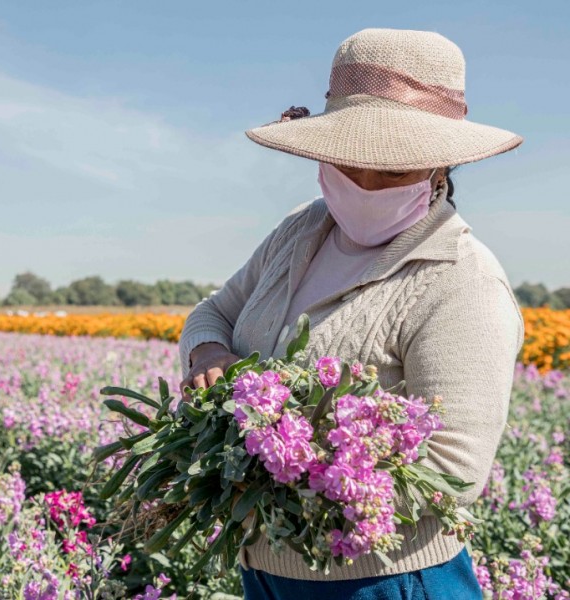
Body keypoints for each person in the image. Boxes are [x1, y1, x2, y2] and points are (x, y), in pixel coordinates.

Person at [177, 28, 524, 599]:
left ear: (439, 166)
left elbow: (455, 471)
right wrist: (209, 352)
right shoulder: (300, 229)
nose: (364, 184)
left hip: (386, 579)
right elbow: (213, 311)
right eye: (347, 163)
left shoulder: (461, 280)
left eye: (391, 170)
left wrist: (294, 474)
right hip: (267, 570)